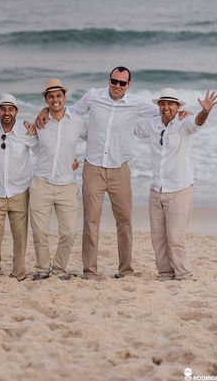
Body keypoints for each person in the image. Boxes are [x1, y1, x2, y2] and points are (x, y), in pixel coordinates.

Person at [37, 67, 185, 280]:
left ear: (128, 85)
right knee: (90, 222)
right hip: (93, 168)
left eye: (122, 83)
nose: (117, 86)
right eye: (114, 81)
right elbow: (70, 113)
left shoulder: (135, 103)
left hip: (120, 170)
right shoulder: (93, 96)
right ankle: (90, 271)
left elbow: (162, 112)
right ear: (109, 80)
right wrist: (45, 111)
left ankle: (125, 270)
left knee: (124, 222)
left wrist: (182, 113)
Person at [134, 88, 216, 280]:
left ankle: (183, 275)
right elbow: (133, 129)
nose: (166, 107)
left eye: (170, 103)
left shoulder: (183, 121)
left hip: (179, 190)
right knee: (158, 239)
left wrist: (205, 111)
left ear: (178, 106)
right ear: (159, 106)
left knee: (176, 238)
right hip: (156, 189)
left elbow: (197, 123)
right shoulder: (153, 124)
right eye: (163, 103)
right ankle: (165, 274)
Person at [30, 79, 86, 281]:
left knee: (69, 232)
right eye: (51, 96)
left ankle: (60, 270)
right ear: (46, 100)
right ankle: (43, 269)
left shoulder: (77, 121)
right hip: (41, 183)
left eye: (59, 96)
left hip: (67, 185)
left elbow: (98, 137)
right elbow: (21, 140)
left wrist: (78, 160)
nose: (55, 100)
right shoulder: (39, 122)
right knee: (39, 232)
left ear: (64, 97)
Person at [0, 93, 37, 281]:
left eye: (10, 109)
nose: (6, 113)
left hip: (19, 190)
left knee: (20, 236)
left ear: (16, 112)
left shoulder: (26, 131)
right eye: (3, 109)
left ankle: (19, 271)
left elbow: (43, 150)